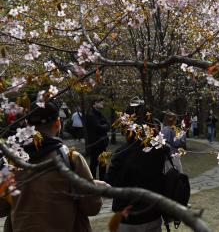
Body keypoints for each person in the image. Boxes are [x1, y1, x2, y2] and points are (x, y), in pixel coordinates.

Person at [0, 101, 105, 232]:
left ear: (27, 125)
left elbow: (1, 207)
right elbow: (91, 207)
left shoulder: (11, 162)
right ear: (58, 123)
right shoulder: (71, 158)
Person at [106, 132, 167, 232]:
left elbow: (110, 181)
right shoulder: (159, 151)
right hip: (152, 213)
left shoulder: (122, 153)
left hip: (127, 217)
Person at [86, 97, 109, 181]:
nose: (102, 103)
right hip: (95, 143)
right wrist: (104, 126)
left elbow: (107, 125)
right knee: (94, 163)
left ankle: (102, 180)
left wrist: (104, 126)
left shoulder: (100, 114)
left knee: (103, 163)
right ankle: (93, 180)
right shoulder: (90, 115)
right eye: (100, 102)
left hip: (102, 143)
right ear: (94, 104)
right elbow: (98, 127)